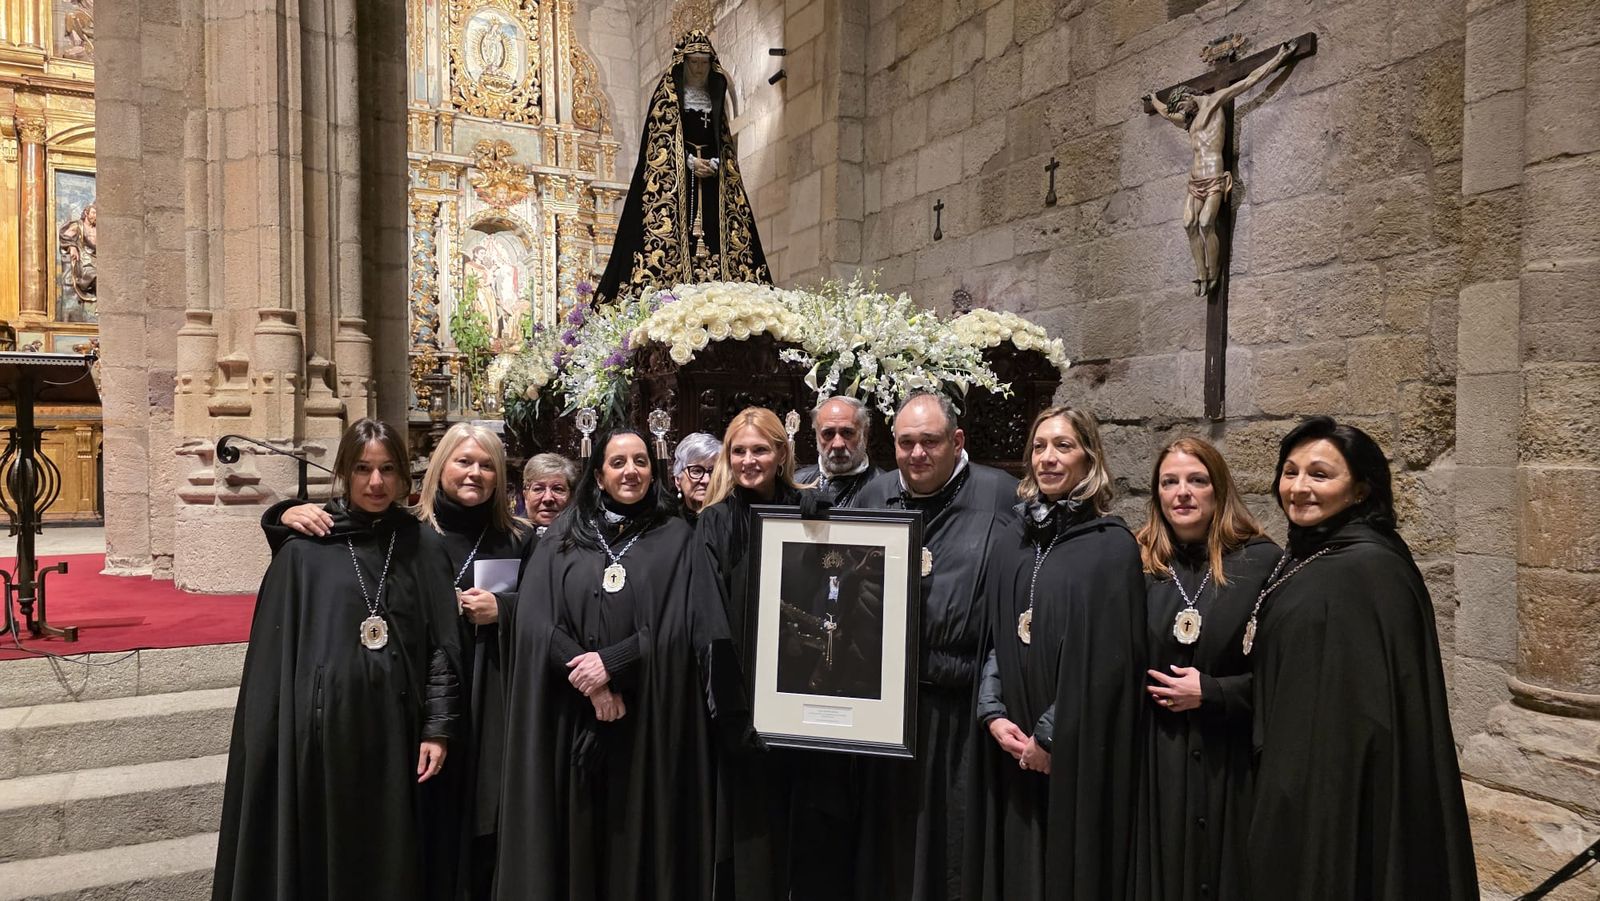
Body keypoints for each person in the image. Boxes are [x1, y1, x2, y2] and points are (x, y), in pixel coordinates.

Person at [213, 418, 462, 901]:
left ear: (403, 476)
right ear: (344, 472)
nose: (376, 482)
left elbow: (443, 649)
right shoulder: (306, 551)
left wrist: (438, 729)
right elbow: (276, 662)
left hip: (399, 734)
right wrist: (281, 514)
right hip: (324, 740)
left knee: (392, 854)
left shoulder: (422, 545)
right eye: (364, 469)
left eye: (388, 469)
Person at [1247, 416, 1478, 899]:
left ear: (1360, 490)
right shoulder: (1310, 555)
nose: (1298, 487)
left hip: (1340, 794)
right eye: (1290, 472)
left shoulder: (1371, 568)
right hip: (1296, 775)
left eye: (1320, 474)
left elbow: (1370, 711)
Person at [495, 429, 715, 900]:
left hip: (647, 715)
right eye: (618, 462)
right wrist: (591, 680)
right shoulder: (563, 535)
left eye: (639, 461)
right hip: (570, 713)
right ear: (598, 474)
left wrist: (613, 663)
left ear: (653, 473)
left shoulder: (677, 536)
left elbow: (681, 625)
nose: (630, 470)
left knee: (636, 838)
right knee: (575, 839)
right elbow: (534, 620)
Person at [967, 406, 1144, 901]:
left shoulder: (1111, 547)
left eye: (1063, 446)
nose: (1047, 458)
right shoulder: (1014, 539)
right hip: (1012, 744)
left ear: (1090, 458)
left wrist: (1050, 738)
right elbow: (998, 635)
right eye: (1039, 447)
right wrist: (992, 712)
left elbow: (1107, 662)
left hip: (1073, 750)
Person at [852, 391, 1020, 901]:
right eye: (906, 443)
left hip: (962, 709)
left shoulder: (1003, 497)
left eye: (930, 441)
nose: (917, 454)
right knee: (887, 851)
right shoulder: (874, 495)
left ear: (957, 441)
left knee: (954, 849)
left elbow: (1018, 605)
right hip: (885, 709)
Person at [1130, 437, 1278, 901]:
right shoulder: (1136, 564)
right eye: (1169, 482)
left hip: (1229, 762)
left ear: (1219, 490)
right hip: (1153, 760)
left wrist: (1213, 691)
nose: (1183, 493)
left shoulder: (1261, 563)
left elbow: (1284, 677)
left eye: (1197, 480)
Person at [687, 407, 810, 901]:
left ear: (782, 453)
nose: (748, 460)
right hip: (745, 709)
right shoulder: (713, 523)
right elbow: (710, 619)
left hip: (809, 695)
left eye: (759, 449)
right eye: (738, 451)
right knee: (754, 835)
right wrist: (733, 711)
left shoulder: (813, 511)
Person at [594, 29, 770, 302]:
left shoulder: (714, 102)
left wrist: (715, 162)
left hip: (712, 181)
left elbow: (721, 142)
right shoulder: (667, 100)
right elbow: (659, 142)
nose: (699, 69)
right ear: (683, 64)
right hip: (676, 184)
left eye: (704, 62)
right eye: (694, 62)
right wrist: (688, 161)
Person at [1145, 41, 1295, 296]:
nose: (1182, 115)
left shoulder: (1214, 102)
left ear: (1188, 97)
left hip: (1214, 175)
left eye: (1182, 108)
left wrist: (1278, 58)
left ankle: (1213, 273)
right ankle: (1200, 274)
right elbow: (1166, 113)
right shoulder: (1186, 118)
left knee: (1205, 223)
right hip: (1195, 179)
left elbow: (1248, 81)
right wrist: (1153, 100)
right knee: (1187, 223)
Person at [793, 396, 884, 509]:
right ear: (816, 435)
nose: (838, 444)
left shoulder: (886, 491)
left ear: (864, 435)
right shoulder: (796, 483)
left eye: (847, 432)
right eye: (828, 433)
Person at [521, 452, 578, 534]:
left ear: (571, 497)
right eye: (538, 489)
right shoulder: (509, 540)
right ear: (526, 496)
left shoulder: (588, 539)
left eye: (557, 489)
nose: (548, 498)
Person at [672, 431, 721, 523]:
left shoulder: (733, 520)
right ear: (678, 480)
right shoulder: (666, 524)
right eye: (696, 471)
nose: (706, 480)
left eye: (713, 472)